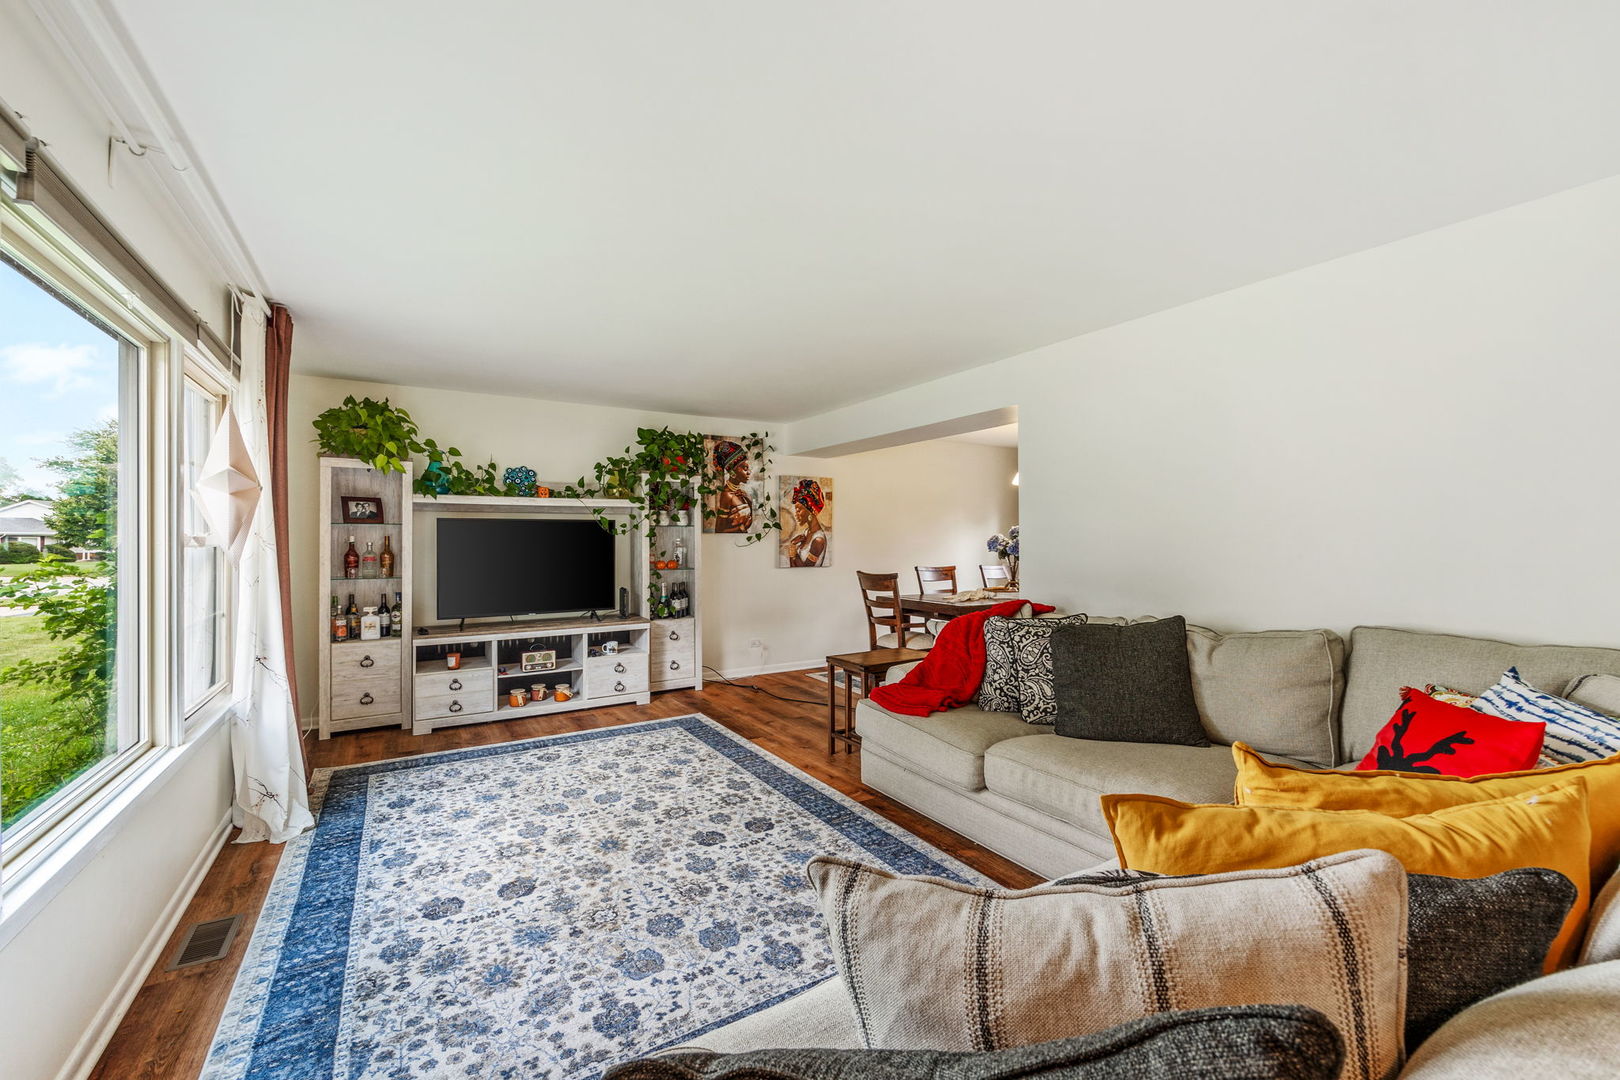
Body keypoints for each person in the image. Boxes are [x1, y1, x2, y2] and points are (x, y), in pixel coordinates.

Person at [782, 478, 829, 567]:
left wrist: (792, 546)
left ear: (810, 511)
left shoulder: (818, 540)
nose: (796, 514)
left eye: (798, 510)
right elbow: (794, 567)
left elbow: (805, 570)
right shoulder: (807, 532)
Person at [711, 439, 754, 532]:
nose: (749, 472)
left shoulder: (741, 494)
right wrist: (741, 528)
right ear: (732, 472)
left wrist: (749, 502)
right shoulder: (727, 495)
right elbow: (719, 530)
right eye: (745, 468)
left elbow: (749, 520)